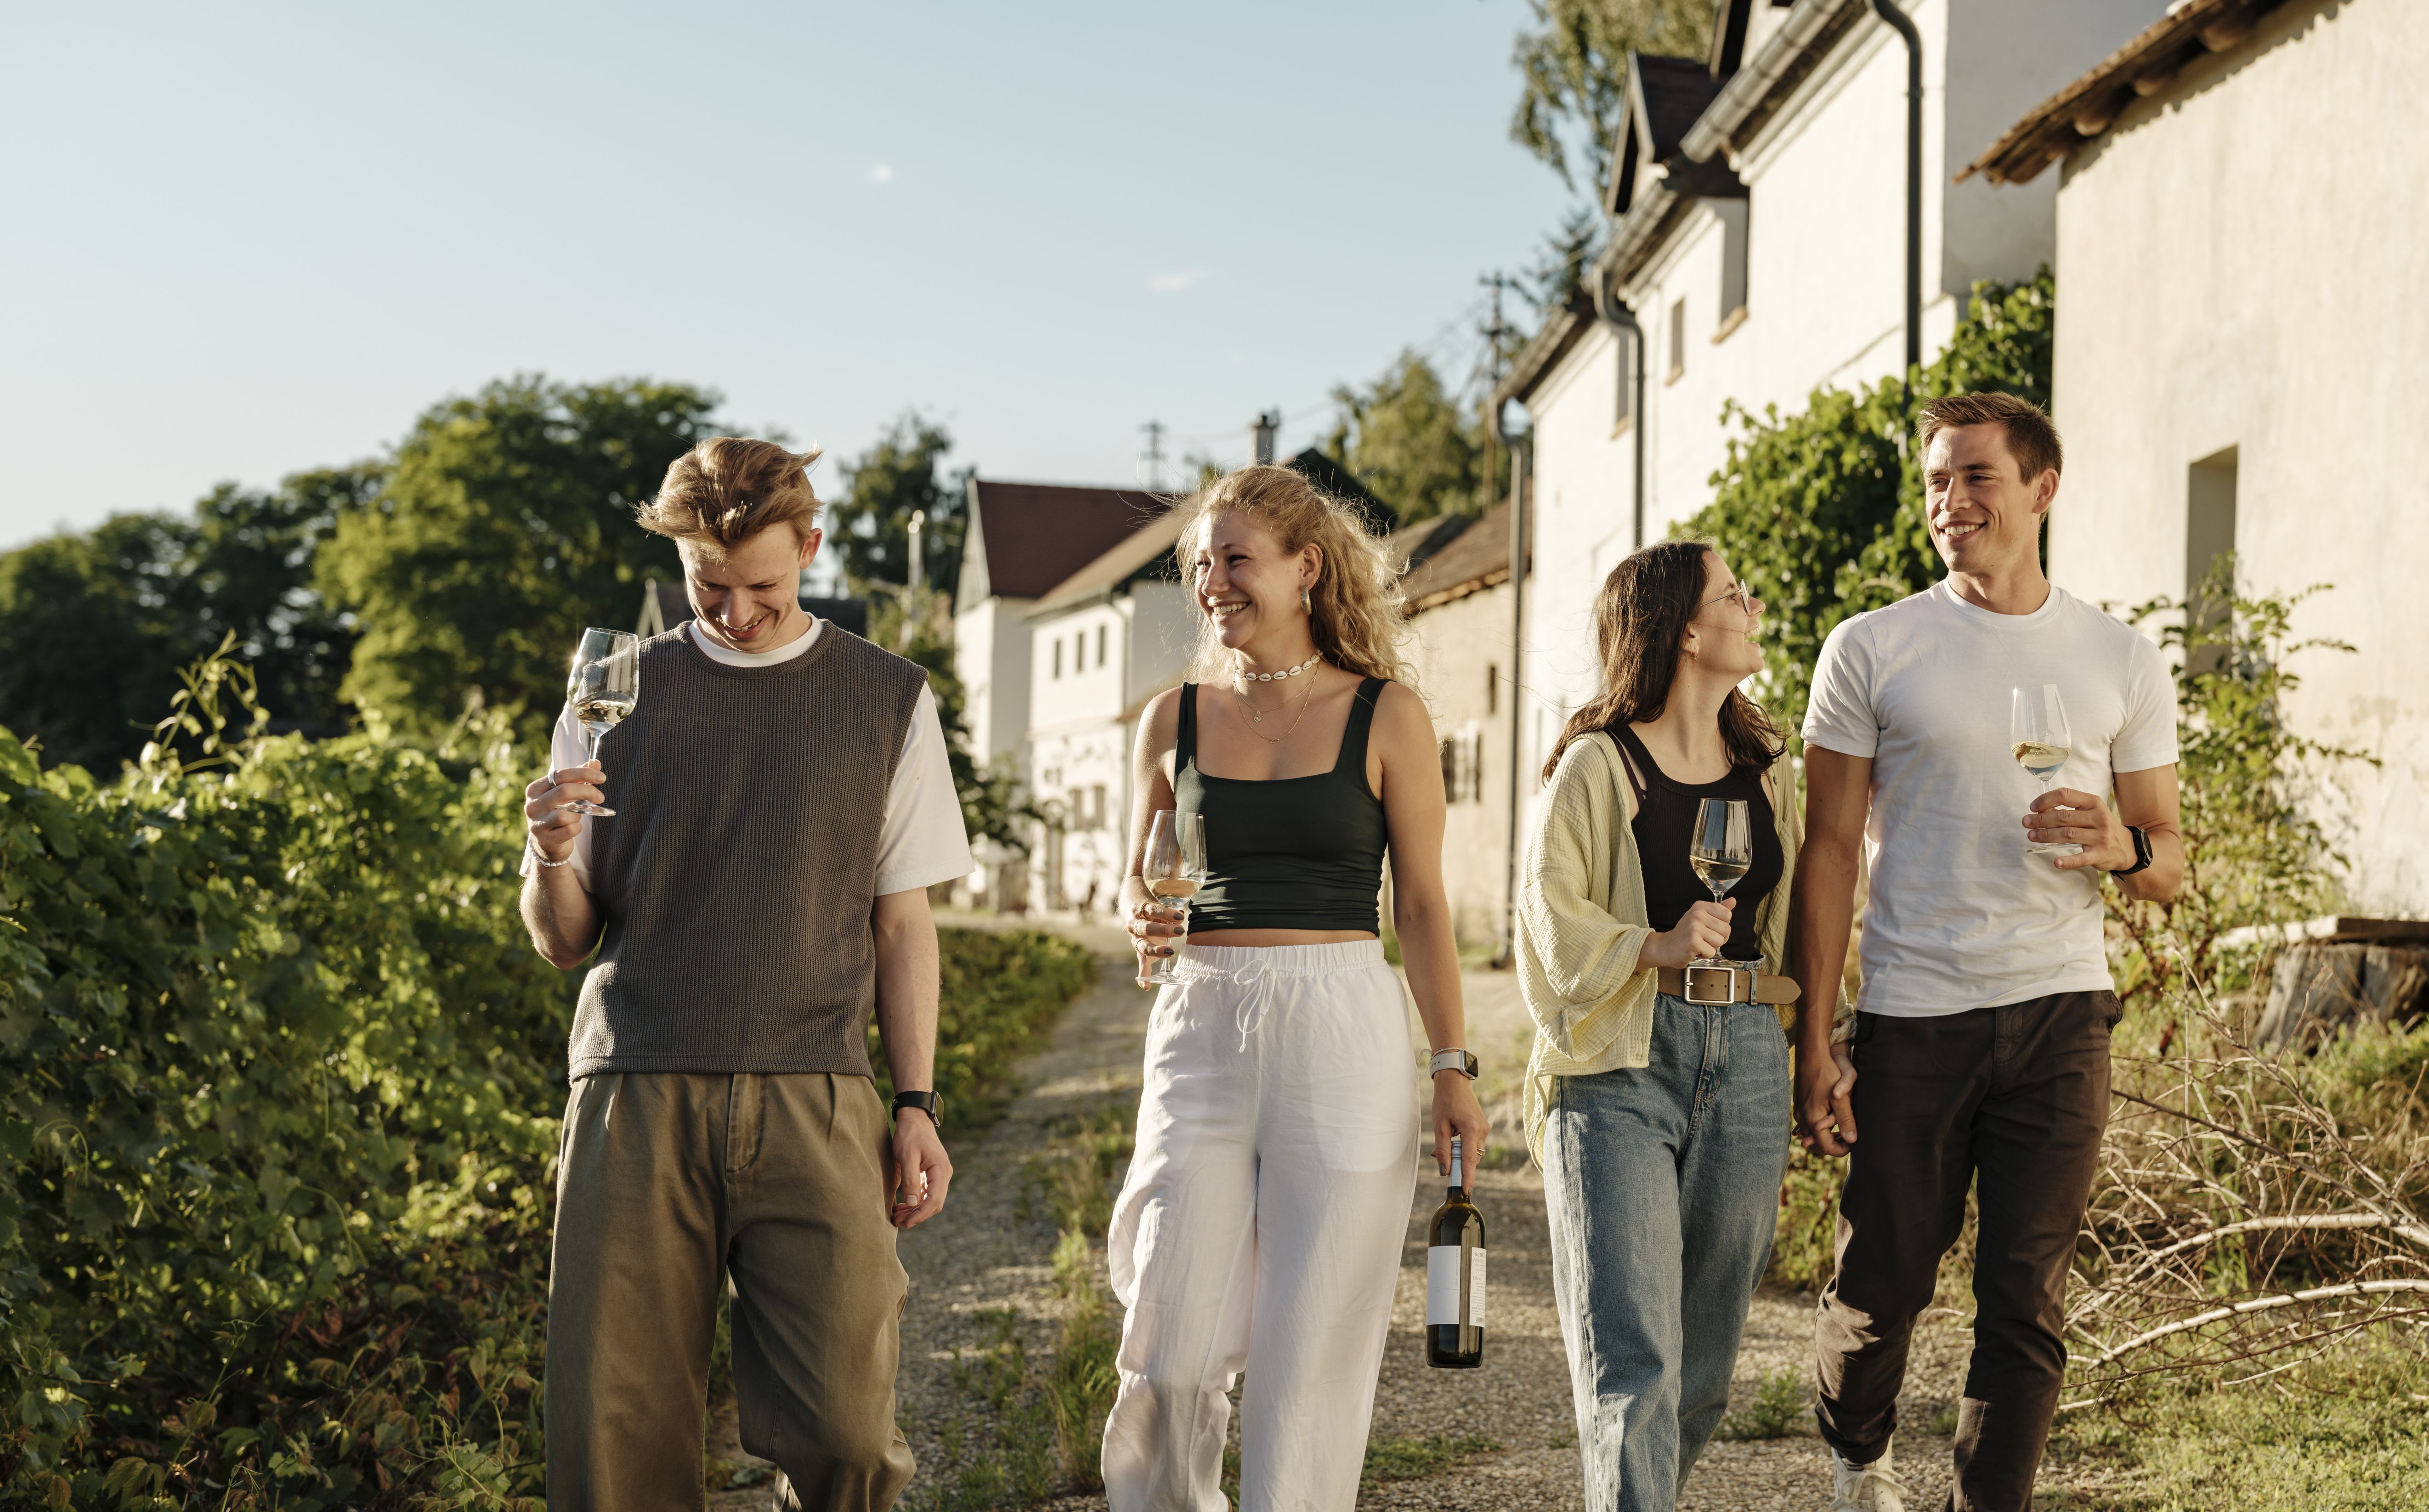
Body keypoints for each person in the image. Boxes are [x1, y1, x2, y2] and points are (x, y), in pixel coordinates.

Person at [518, 437, 973, 1512]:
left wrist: (916, 1102)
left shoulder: (888, 697)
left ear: (810, 547)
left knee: (848, 1431)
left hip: (819, 1092)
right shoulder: (610, 693)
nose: (734, 612)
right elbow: (562, 940)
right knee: (614, 1434)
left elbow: (902, 924)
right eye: (707, 584)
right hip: (635, 1090)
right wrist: (548, 851)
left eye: (761, 585)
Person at [1793, 393, 2183, 1512]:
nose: (1949, 501)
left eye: (1975, 477)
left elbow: (2167, 859)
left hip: (2062, 1012)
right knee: (1881, 1287)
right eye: (1935, 481)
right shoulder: (1872, 647)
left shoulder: (2118, 656)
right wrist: (1814, 1036)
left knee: (2024, 1303)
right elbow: (1829, 851)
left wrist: (2119, 844)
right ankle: (1857, 1456)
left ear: (2041, 489)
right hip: (1913, 1008)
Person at [1099, 464, 1489, 1512]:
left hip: (1342, 1029)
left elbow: (1421, 908)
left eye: (1236, 559)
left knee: (1310, 1353)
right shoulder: (1171, 718)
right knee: (1169, 1343)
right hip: (1201, 1022)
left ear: (1305, 567)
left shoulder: (1388, 715)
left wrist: (1452, 1067)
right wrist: (1138, 912)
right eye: (1200, 564)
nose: (1212, 582)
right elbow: (1134, 876)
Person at [1517, 541, 1838, 1512]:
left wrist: (1812, 1045)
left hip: (1747, 1056)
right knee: (1635, 1362)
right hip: (1619, 1061)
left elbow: (1795, 917)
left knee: (1702, 1370)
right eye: (1733, 594)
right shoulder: (1598, 764)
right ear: (1686, 631)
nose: (1752, 605)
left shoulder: (1767, 770)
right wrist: (1650, 944)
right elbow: (1545, 914)